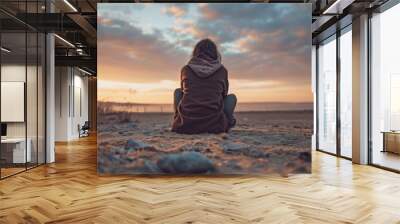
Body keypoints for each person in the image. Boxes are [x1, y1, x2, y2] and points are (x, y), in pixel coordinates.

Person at [171, 38, 237, 134]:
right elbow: (223, 94)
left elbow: (184, 91)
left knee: (178, 92)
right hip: (215, 126)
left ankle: (178, 120)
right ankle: (229, 122)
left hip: (185, 126)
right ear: (215, 53)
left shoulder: (186, 69)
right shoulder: (222, 70)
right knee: (231, 98)